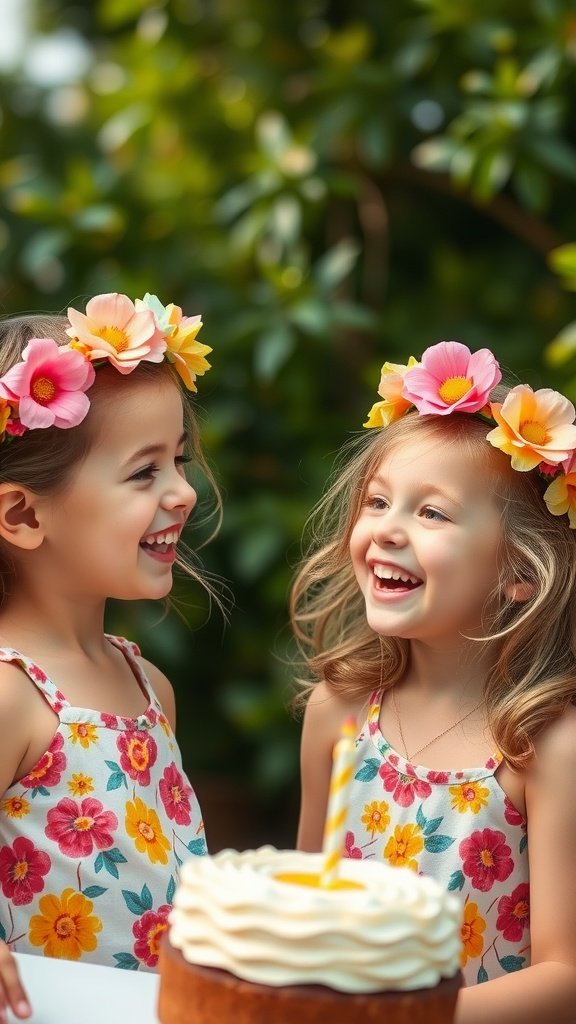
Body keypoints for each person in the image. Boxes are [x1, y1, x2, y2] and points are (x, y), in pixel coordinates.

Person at [292, 340, 576, 1022]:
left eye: (432, 513)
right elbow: (300, 905)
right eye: (379, 502)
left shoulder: (544, 746)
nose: (388, 530)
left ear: (520, 575)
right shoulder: (339, 713)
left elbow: (565, 976)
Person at [0, 291, 217, 1019]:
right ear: (24, 516)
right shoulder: (11, 694)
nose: (184, 492)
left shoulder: (149, 686)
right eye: (144, 471)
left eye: (178, 461)